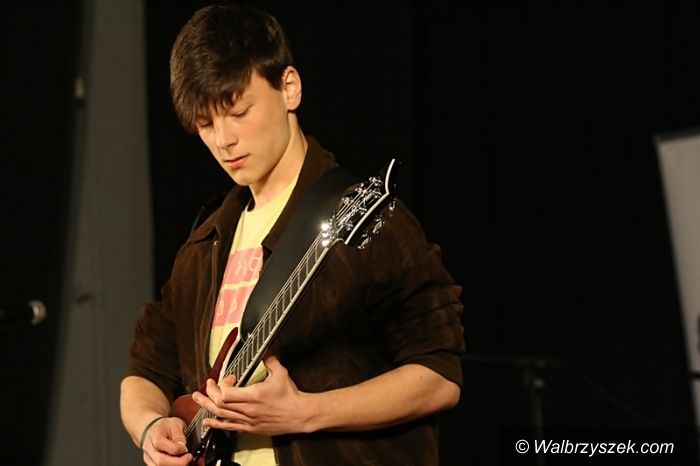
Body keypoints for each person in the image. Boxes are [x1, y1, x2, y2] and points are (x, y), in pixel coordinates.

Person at [120, 4, 465, 466]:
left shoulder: (363, 216)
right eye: (205, 124)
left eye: (238, 112)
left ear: (289, 87)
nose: (223, 140)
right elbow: (145, 370)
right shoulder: (206, 243)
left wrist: (306, 412)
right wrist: (149, 427)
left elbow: (440, 374)